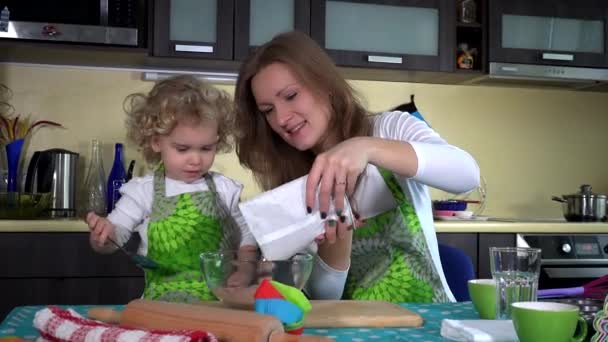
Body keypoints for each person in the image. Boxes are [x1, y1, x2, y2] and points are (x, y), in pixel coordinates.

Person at [233, 31, 480, 302]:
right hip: (354, 326)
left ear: (324, 84)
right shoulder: (293, 188)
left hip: (429, 320)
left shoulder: (390, 128)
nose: (281, 118)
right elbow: (324, 300)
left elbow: (467, 174)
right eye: (268, 110)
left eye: (291, 95)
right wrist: (336, 251)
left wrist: (367, 147)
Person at [87, 75, 257, 303]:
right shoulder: (142, 191)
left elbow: (246, 237)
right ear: (156, 141)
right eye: (183, 149)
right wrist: (104, 236)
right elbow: (117, 233)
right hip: (161, 306)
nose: (195, 160)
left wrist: (244, 271)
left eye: (206, 148)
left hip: (219, 304)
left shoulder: (224, 190)